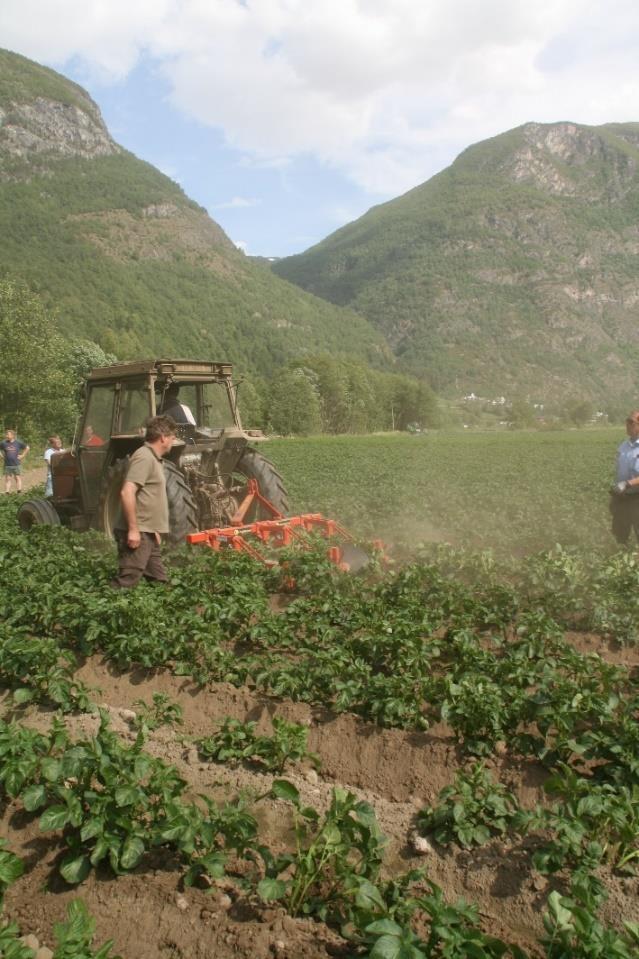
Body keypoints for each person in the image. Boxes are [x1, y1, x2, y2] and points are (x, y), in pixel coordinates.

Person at [110, 415, 177, 588]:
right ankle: (105, 612)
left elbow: (148, 497)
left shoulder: (154, 459)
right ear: (163, 437)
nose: (173, 440)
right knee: (127, 581)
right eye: (172, 437)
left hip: (148, 532)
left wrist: (154, 530)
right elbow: (127, 492)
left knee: (160, 582)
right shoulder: (144, 457)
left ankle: (164, 614)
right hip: (138, 532)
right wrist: (133, 530)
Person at [610, 410, 639, 544]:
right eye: (627, 421)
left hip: (637, 498)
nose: (627, 425)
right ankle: (622, 561)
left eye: (631, 422)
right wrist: (618, 488)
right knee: (620, 535)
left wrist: (627, 483)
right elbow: (619, 471)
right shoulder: (624, 446)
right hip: (623, 497)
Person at [0, 429, 30, 494]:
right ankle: (7, 492)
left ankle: (19, 491)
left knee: (17, 478)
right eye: (6, 434)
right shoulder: (3, 443)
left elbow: (27, 447)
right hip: (7, 464)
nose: (6, 436)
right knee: (8, 479)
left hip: (16, 464)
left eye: (8, 434)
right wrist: (1, 455)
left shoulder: (18, 442)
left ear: (13, 435)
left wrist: (23, 455)